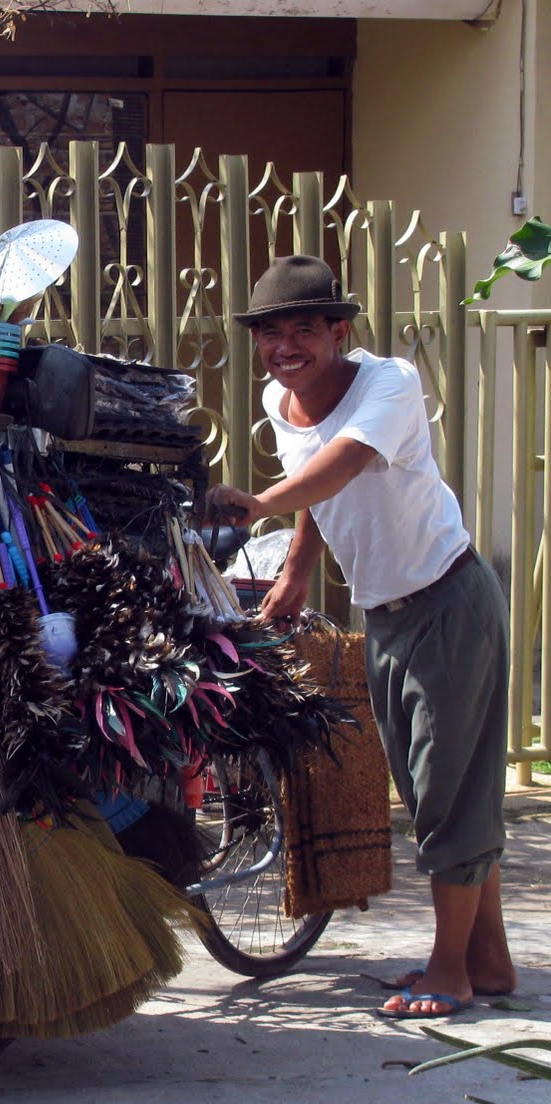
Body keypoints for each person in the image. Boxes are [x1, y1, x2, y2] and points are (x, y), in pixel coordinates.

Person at [206, 254, 515, 1020]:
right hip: (384, 613)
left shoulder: (390, 384)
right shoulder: (280, 401)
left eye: (304, 330)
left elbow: (344, 463)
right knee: (432, 786)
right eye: (271, 333)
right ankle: (489, 959)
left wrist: (259, 505)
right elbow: (321, 486)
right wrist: (297, 572)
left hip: (448, 600)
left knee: (447, 792)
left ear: (339, 332)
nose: (286, 348)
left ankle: (449, 973)